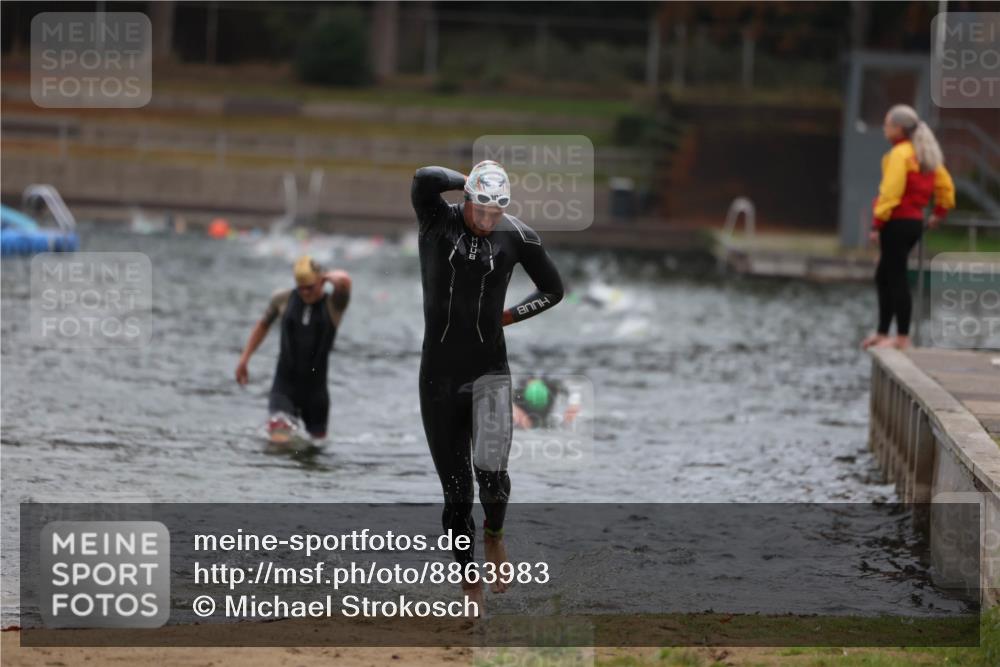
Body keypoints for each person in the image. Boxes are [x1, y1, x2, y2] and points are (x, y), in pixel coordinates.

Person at [412, 160, 564, 613]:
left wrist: (509, 316)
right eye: (481, 209)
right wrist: (471, 179)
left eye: (496, 212)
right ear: (467, 199)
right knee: (457, 496)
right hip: (439, 379)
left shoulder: (517, 236)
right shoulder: (436, 221)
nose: (487, 220)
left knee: (492, 480)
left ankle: (494, 535)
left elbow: (553, 290)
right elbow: (423, 178)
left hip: (491, 374)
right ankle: (469, 582)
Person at [861, 104, 955, 351]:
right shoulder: (926, 153)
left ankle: (902, 337)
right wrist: (939, 212)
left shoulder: (900, 154)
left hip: (897, 222)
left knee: (895, 276)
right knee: (885, 275)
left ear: (899, 128)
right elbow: (946, 187)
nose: (884, 129)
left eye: (887, 124)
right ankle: (883, 332)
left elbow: (890, 192)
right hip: (913, 223)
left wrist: (877, 223)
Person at [235, 256, 352, 440]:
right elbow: (263, 325)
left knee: (314, 450)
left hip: (316, 394)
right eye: (301, 287)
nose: (305, 292)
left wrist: (325, 275)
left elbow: (345, 280)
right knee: (278, 442)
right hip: (284, 387)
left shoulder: (335, 304)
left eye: (310, 287)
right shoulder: (282, 299)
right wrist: (244, 359)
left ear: (321, 281)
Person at [512, 376, 581, 430]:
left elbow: (573, 389)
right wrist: (514, 409)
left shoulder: (552, 385)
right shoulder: (518, 390)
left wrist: (574, 404)